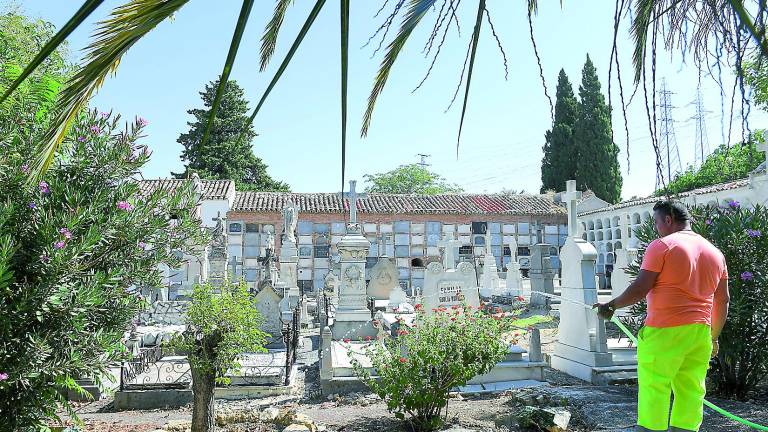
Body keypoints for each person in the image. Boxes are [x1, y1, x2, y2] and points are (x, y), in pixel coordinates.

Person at [594, 200, 730, 432]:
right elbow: (723, 300)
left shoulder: (663, 246)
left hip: (664, 331)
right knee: (691, 391)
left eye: (657, 222)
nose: (656, 228)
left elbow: (640, 288)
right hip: (699, 333)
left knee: (655, 388)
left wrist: (612, 305)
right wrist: (714, 337)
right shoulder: (715, 253)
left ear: (668, 220)